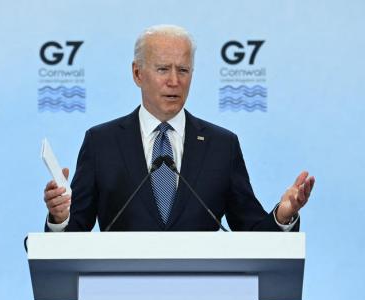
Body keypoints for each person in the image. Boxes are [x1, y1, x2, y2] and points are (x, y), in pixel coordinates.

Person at [44, 25, 314, 232]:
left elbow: (253, 233)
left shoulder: (222, 146)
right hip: (118, 299)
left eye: (183, 70)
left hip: (205, 299)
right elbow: (73, 233)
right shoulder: (101, 142)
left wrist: (283, 215)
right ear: (138, 74)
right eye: (163, 69)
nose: (174, 81)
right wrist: (60, 216)